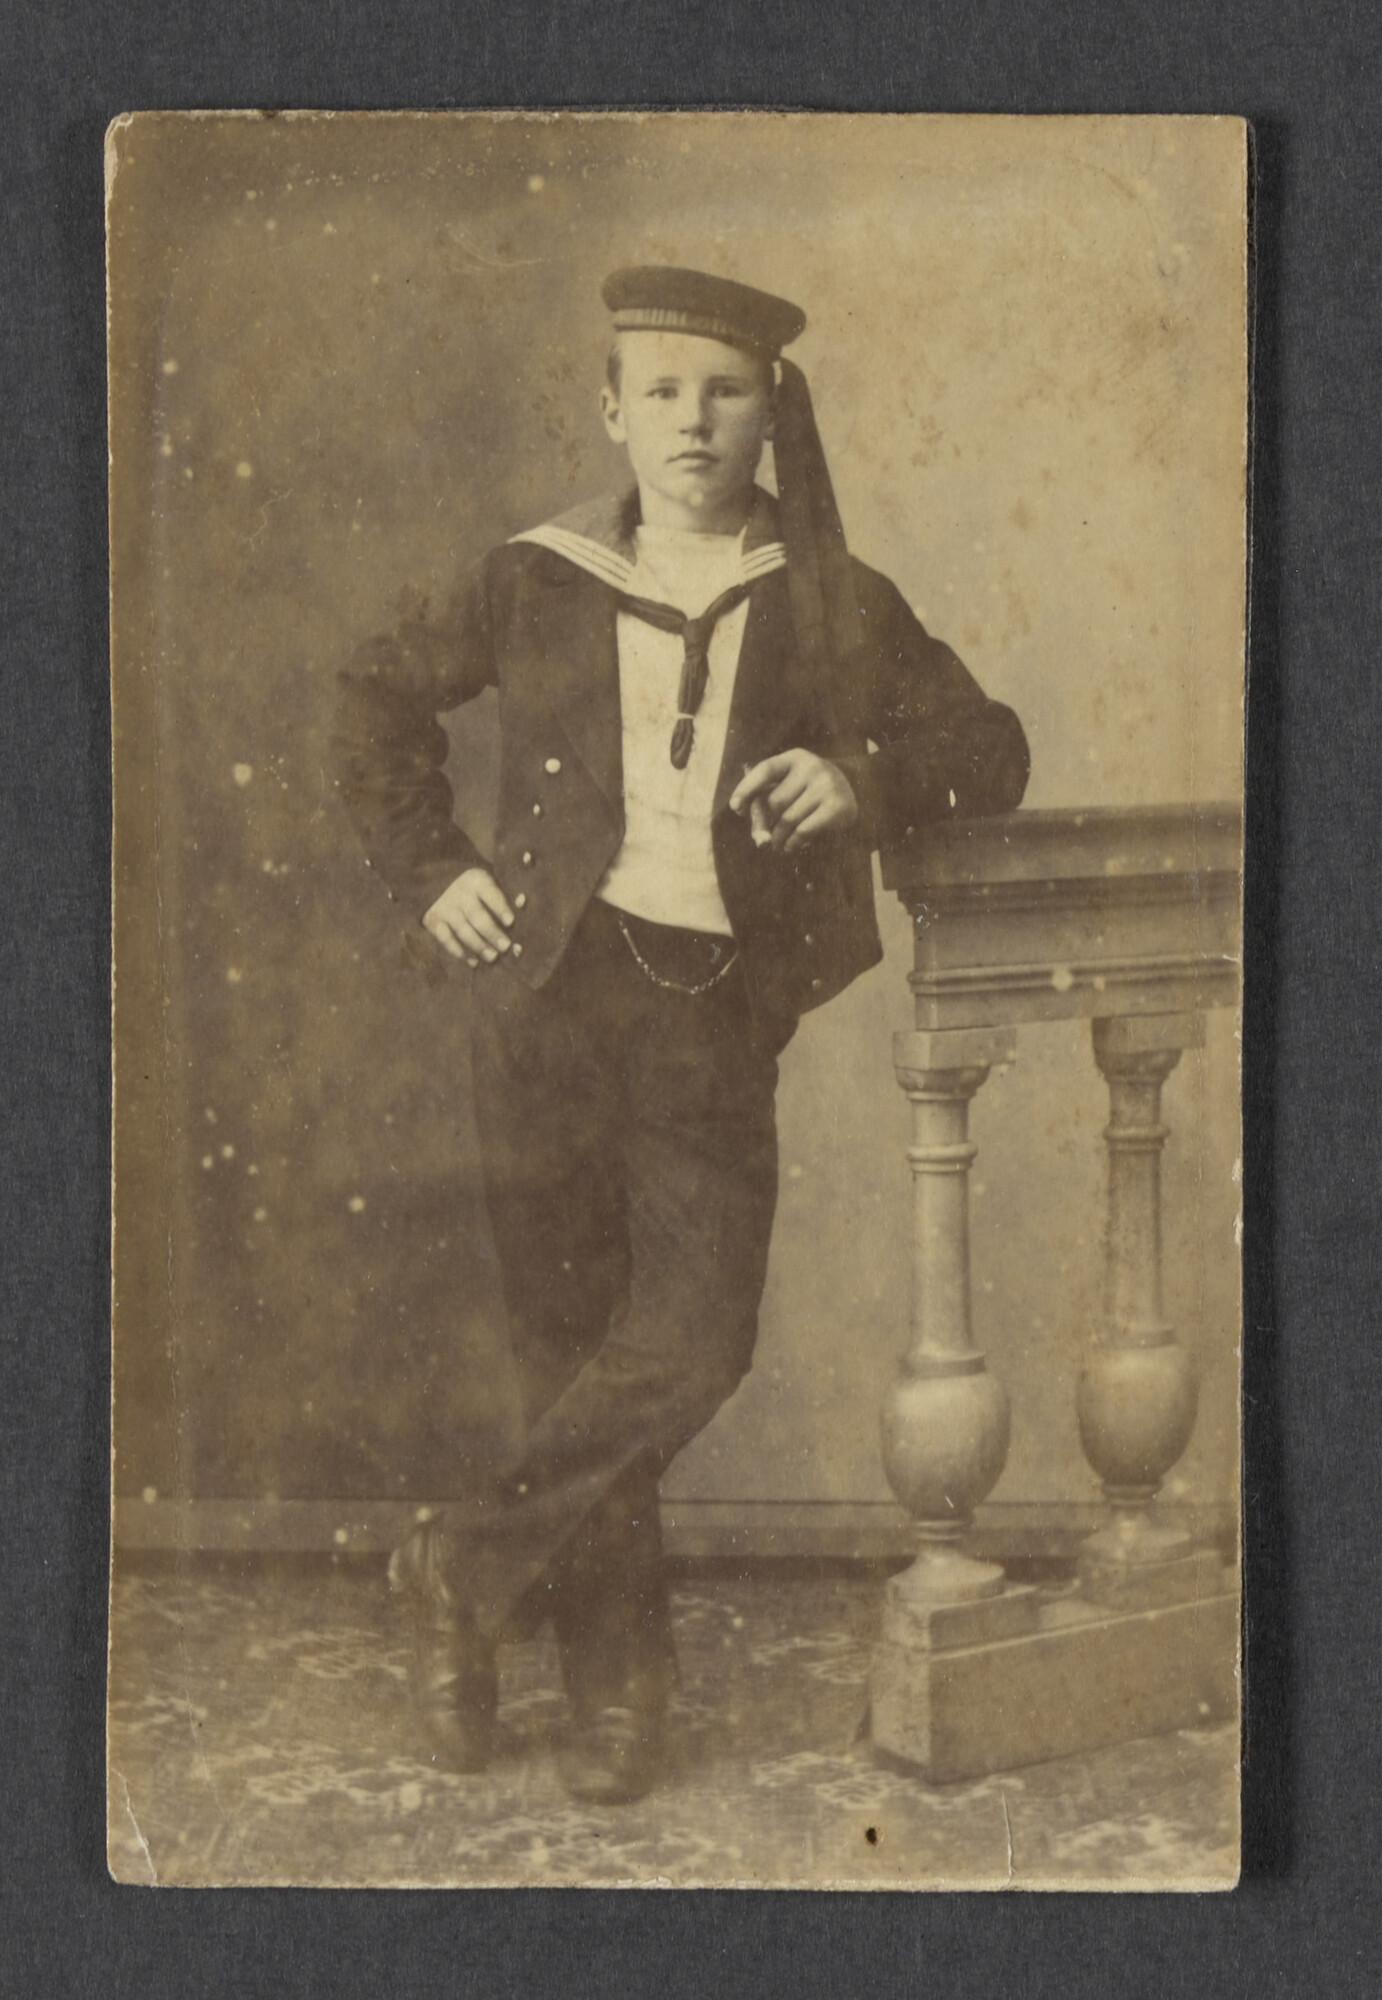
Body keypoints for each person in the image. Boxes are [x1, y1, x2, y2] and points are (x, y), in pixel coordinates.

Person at [331, 265, 1030, 1804]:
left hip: (705, 1015)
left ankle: (461, 1568)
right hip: (539, 1002)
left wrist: (859, 779)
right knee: (566, 1350)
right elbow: (373, 701)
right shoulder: (533, 577)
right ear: (611, 411)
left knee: (691, 1341)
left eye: (724, 392)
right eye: (659, 391)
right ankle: (613, 1689)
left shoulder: (831, 596)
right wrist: (432, 870)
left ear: (770, 412)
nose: (692, 421)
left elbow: (990, 748)